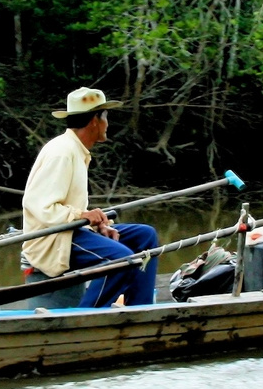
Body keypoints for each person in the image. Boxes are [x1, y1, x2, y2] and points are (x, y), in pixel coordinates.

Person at [22, 87, 161, 308]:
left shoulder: (76, 150)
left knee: (145, 236)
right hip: (54, 240)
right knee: (121, 260)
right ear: (95, 120)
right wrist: (84, 215)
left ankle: (140, 309)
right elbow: (40, 207)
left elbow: (72, 211)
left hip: (72, 231)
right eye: (106, 117)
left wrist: (98, 224)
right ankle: (85, 316)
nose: (108, 124)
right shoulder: (62, 152)